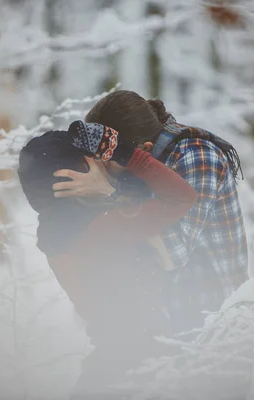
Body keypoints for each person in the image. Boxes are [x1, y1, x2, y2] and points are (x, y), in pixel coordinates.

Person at [18, 121, 198, 399]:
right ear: (74, 178)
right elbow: (181, 197)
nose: (102, 159)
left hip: (111, 365)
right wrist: (127, 153)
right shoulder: (104, 230)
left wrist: (108, 190)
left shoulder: (61, 228)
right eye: (91, 159)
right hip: (139, 372)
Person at [81, 90, 249, 333]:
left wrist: (106, 193)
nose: (100, 166)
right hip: (163, 324)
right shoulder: (139, 167)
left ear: (144, 150)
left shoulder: (197, 157)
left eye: (106, 158)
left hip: (211, 327)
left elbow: (174, 250)